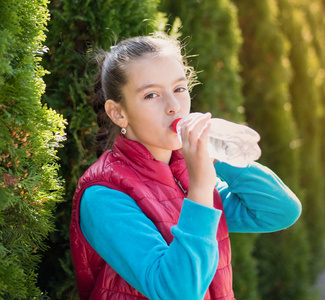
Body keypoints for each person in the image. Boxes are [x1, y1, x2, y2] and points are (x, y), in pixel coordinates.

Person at [70, 32, 302, 300]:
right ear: (118, 113)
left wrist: (217, 152)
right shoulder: (103, 195)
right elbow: (177, 292)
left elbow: (280, 210)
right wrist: (202, 185)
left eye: (179, 89)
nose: (173, 106)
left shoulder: (187, 174)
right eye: (151, 95)